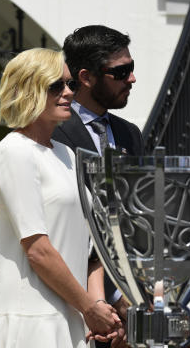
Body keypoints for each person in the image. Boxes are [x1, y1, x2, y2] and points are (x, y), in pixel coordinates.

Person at [0, 48, 120, 348]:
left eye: (70, 84)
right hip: (31, 322)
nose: (69, 92)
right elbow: (38, 250)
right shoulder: (14, 151)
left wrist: (101, 312)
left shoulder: (66, 154)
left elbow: (89, 251)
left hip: (72, 322)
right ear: (28, 89)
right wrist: (88, 307)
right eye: (56, 85)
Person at [52, 25, 143, 347]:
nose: (131, 79)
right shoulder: (51, 133)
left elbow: (137, 220)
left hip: (128, 309)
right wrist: (105, 298)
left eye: (131, 69)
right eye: (121, 72)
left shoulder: (130, 134)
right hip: (71, 304)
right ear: (86, 77)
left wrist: (131, 295)